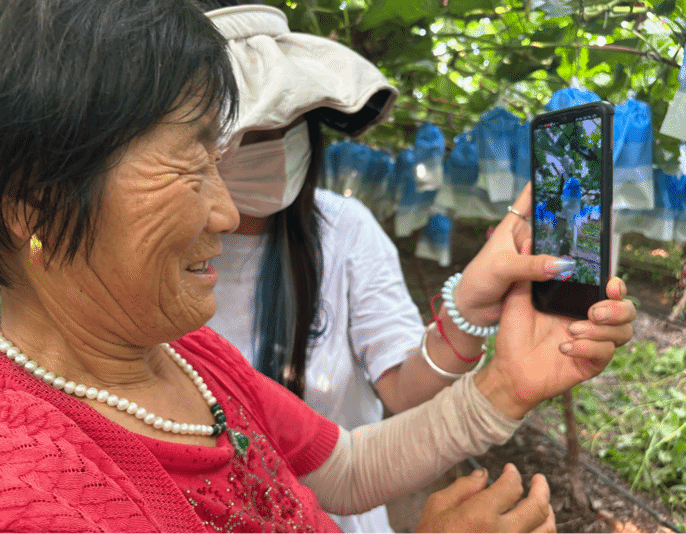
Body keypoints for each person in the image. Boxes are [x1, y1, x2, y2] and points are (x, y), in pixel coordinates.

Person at [0, 0, 634, 533]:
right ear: (35, 205)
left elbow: (346, 468)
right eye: (189, 162)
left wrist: (506, 383)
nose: (225, 212)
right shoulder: (32, 488)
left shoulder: (188, 353)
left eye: (216, 158)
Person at [200, 3, 629, 532]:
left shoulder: (342, 229)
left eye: (289, 120)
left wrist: (471, 320)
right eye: (247, 129)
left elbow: (348, 465)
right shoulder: (159, 311)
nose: (272, 144)